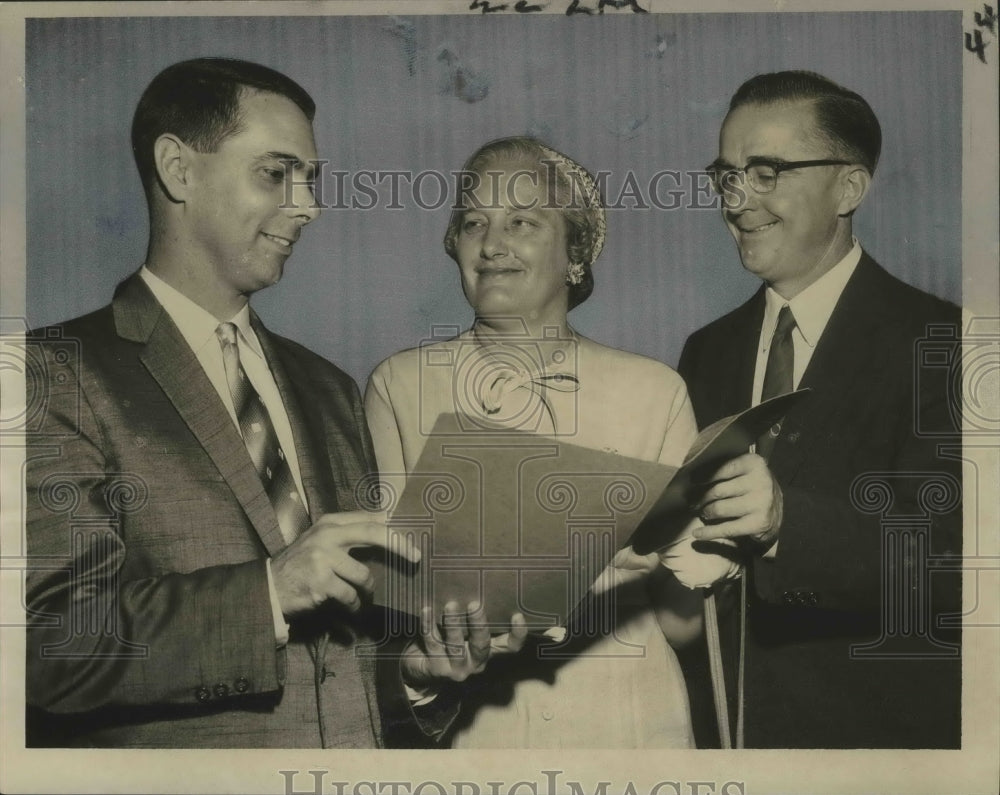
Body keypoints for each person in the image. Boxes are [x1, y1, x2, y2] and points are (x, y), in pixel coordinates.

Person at [24, 57, 498, 749]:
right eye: (276, 174)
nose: (307, 206)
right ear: (178, 169)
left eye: (311, 180)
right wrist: (269, 592)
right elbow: (48, 649)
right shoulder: (50, 373)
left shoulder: (330, 388)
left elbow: (344, 666)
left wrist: (417, 679)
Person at [364, 137, 735, 748]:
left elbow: (685, 621)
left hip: (631, 726)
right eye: (473, 222)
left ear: (576, 256)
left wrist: (697, 552)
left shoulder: (655, 391)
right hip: (480, 732)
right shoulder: (399, 386)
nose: (491, 244)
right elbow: (389, 601)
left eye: (522, 222)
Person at [678, 70, 962, 748]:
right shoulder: (705, 351)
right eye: (727, 176)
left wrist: (785, 522)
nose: (738, 200)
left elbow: (952, 562)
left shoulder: (947, 343)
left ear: (850, 187)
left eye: (767, 171)